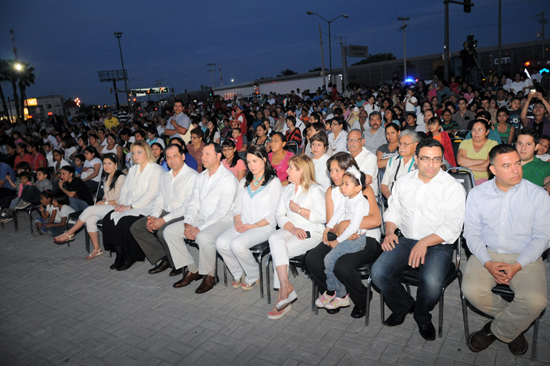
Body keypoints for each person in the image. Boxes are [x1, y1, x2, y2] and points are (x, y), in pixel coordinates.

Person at [371, 138, 466, 341]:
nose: (431, 165)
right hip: (406, 239)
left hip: (438, 244)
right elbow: (394, 209)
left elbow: (452, 226)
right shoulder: (404, 182)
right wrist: (389, 232)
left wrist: (424, 243)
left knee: (431, 284)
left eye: (436, 159)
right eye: (425, 159)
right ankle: (404, 305)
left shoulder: (452, 187)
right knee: (378, 273)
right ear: (416, 159)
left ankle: (422, 315)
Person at [462, 144, 550, 355]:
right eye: (507, 166)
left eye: (518, 163)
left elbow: (543, 237)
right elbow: (471, 234)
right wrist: (487, 263)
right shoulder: (477, 194)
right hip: (488, 253)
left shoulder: (538, 195)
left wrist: (518, 265)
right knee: (472, 291)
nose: (516, 170)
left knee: (536, 302)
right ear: (493, 170)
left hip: (526, 255)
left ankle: (494, 331)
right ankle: (513, 326)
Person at [306, 152, 381, 318]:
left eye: (338, 170)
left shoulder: (362, 188)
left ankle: (362, 298)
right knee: (312, 259)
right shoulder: (331, 191)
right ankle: (335, 292)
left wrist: (347, 226)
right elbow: (331, 223)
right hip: (339, 235)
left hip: (367, 237)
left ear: (349, 169)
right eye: (331, 170)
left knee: (343, 265)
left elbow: (376, 220)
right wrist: (340, 230)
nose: (334, 175)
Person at [163, 143, 238, 293]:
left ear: (218, 156)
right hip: (202, 217)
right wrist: (187, 223)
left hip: (223, 220)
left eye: (207, 154)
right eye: (202, 154)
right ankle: (193, 270)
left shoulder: (227, 178)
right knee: (169, 231)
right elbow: (193, 202)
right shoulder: (201, 177)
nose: (202, 157)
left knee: (203, 237)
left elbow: (221, 211)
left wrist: (199, 228)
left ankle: (210, 276)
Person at [267, 155, 326, 320]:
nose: (286, 171)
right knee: (274, 239)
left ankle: (283, 297)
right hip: (291, 229)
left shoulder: (315, 189)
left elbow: (323, 216)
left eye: (290, 168)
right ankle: (285, 287)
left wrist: (299, 210)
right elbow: (279, 215)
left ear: (300, 171)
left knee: (279, 252)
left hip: (311, 232)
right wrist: (292, 228)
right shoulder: (286, 189)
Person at [216, 145, 282, 290]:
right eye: (249, 162)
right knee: (220, 242)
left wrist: (251, 226)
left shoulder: (273, 183)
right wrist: (238, 223)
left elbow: (273, 215)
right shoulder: (244, 181)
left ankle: (253, 275)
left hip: (263, 227)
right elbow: (237, 208)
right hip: (244, 224)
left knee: (237, 244)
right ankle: (238, 272)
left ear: (264, 160)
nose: (251, 165)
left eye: (255, 161)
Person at [130, 144, 198, 277]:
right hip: (165, 212)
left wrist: (163, 220)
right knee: (137, 227)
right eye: (168, 157)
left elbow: (188, 206)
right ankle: (167, 258)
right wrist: (154, 217)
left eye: (175, 156)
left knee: (162, 231)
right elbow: (159, 200)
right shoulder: (166, 176)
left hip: (184, 214)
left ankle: (179, 264)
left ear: (183, 157)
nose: (172, 160)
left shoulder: (192, 176)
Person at [315, 166, 373, 310]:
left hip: (356, 241)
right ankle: (339, 294)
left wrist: (337, 241)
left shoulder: (360, 202)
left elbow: (354, 227)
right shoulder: (348, 198)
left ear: (358, 187)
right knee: (330, 261)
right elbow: (338, 212)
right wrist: (328, 228)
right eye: (342, 184)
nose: (342, 187)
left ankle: (334, 293)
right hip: (348, 238)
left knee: (329, 259)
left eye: (347, 184)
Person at [102, 141, 164, 271]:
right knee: (108, 219)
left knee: (125, 223)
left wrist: (130, 206)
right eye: (133, 152)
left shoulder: (156, 169)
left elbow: (152, 193)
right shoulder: (133, 169)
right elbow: (124, 189)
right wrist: (122, 204)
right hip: (128, 205)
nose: (136, 155)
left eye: (139, 152)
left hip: (146, 207)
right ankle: (119, 254)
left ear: (147, 152)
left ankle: (131, 255)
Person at [53, 154, 126, 259]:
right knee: (90, 219)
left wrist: (105, 203)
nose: (106, 166)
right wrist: (102, 201)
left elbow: (122, 199)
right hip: (108, 206)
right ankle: (97, 249)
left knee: (89, 209)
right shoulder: (106, 177)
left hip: (119, 208)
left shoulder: (121, 177)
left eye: (109, 163)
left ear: (115, 165)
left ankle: (70, 233)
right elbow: (106, 196)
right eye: (104, 163)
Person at [380, 130, 420, 199]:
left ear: (416, 145)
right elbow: (384, 184)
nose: (401, 147)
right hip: (392, 201)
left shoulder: (420, 163)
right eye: (400, 144)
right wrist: (389, 196)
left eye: (405, 144)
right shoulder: (393, 160)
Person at [457, 120, 499, 185]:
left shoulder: (492, 144)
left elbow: (488, 166)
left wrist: (467, 168)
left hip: (484, 179)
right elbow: (460, 161)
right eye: (473, 130)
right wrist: (483, 161)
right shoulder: (465, 143)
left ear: (487, 132)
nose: (476, 133)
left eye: (480, 130)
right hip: (464, 177)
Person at [515, 128, 550, 193]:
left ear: (536, 147)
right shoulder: (505, 163)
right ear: (515, 145)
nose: (523, 148)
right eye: (520, 143)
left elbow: (548, 181)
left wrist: (541, 193)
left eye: (528, 144)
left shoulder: (545, 166)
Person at [347, 129, 379, 196]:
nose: (351, 143)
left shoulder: (370, 157)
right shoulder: (344, 156)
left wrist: (345, 179)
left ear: (363, 142)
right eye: (349, 140)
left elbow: (367, 179)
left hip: (365, 197)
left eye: (355, 140)